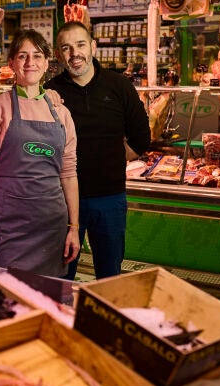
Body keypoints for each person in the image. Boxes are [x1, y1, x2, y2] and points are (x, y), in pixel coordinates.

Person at [44, 21, 151, 280]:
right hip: (64, 200)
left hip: (110, 198)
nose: (74, 54)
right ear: (58, 55)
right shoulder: (51, 91)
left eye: (80, 45)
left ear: (93, 46)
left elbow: (141, 139)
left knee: (110, 275)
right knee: (61, 275)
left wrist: (110, 158)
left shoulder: (119, 86)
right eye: (66, 48)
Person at [0, 29, 80, 278]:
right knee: (4, 295)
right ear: (11, 63)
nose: (30, 63)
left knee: (48, 300)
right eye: (22, 56)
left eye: (37, 56)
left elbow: (69, 175)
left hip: (52, 226)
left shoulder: (61, 113)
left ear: (46, 64)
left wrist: (74, 227)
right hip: (8, 226)